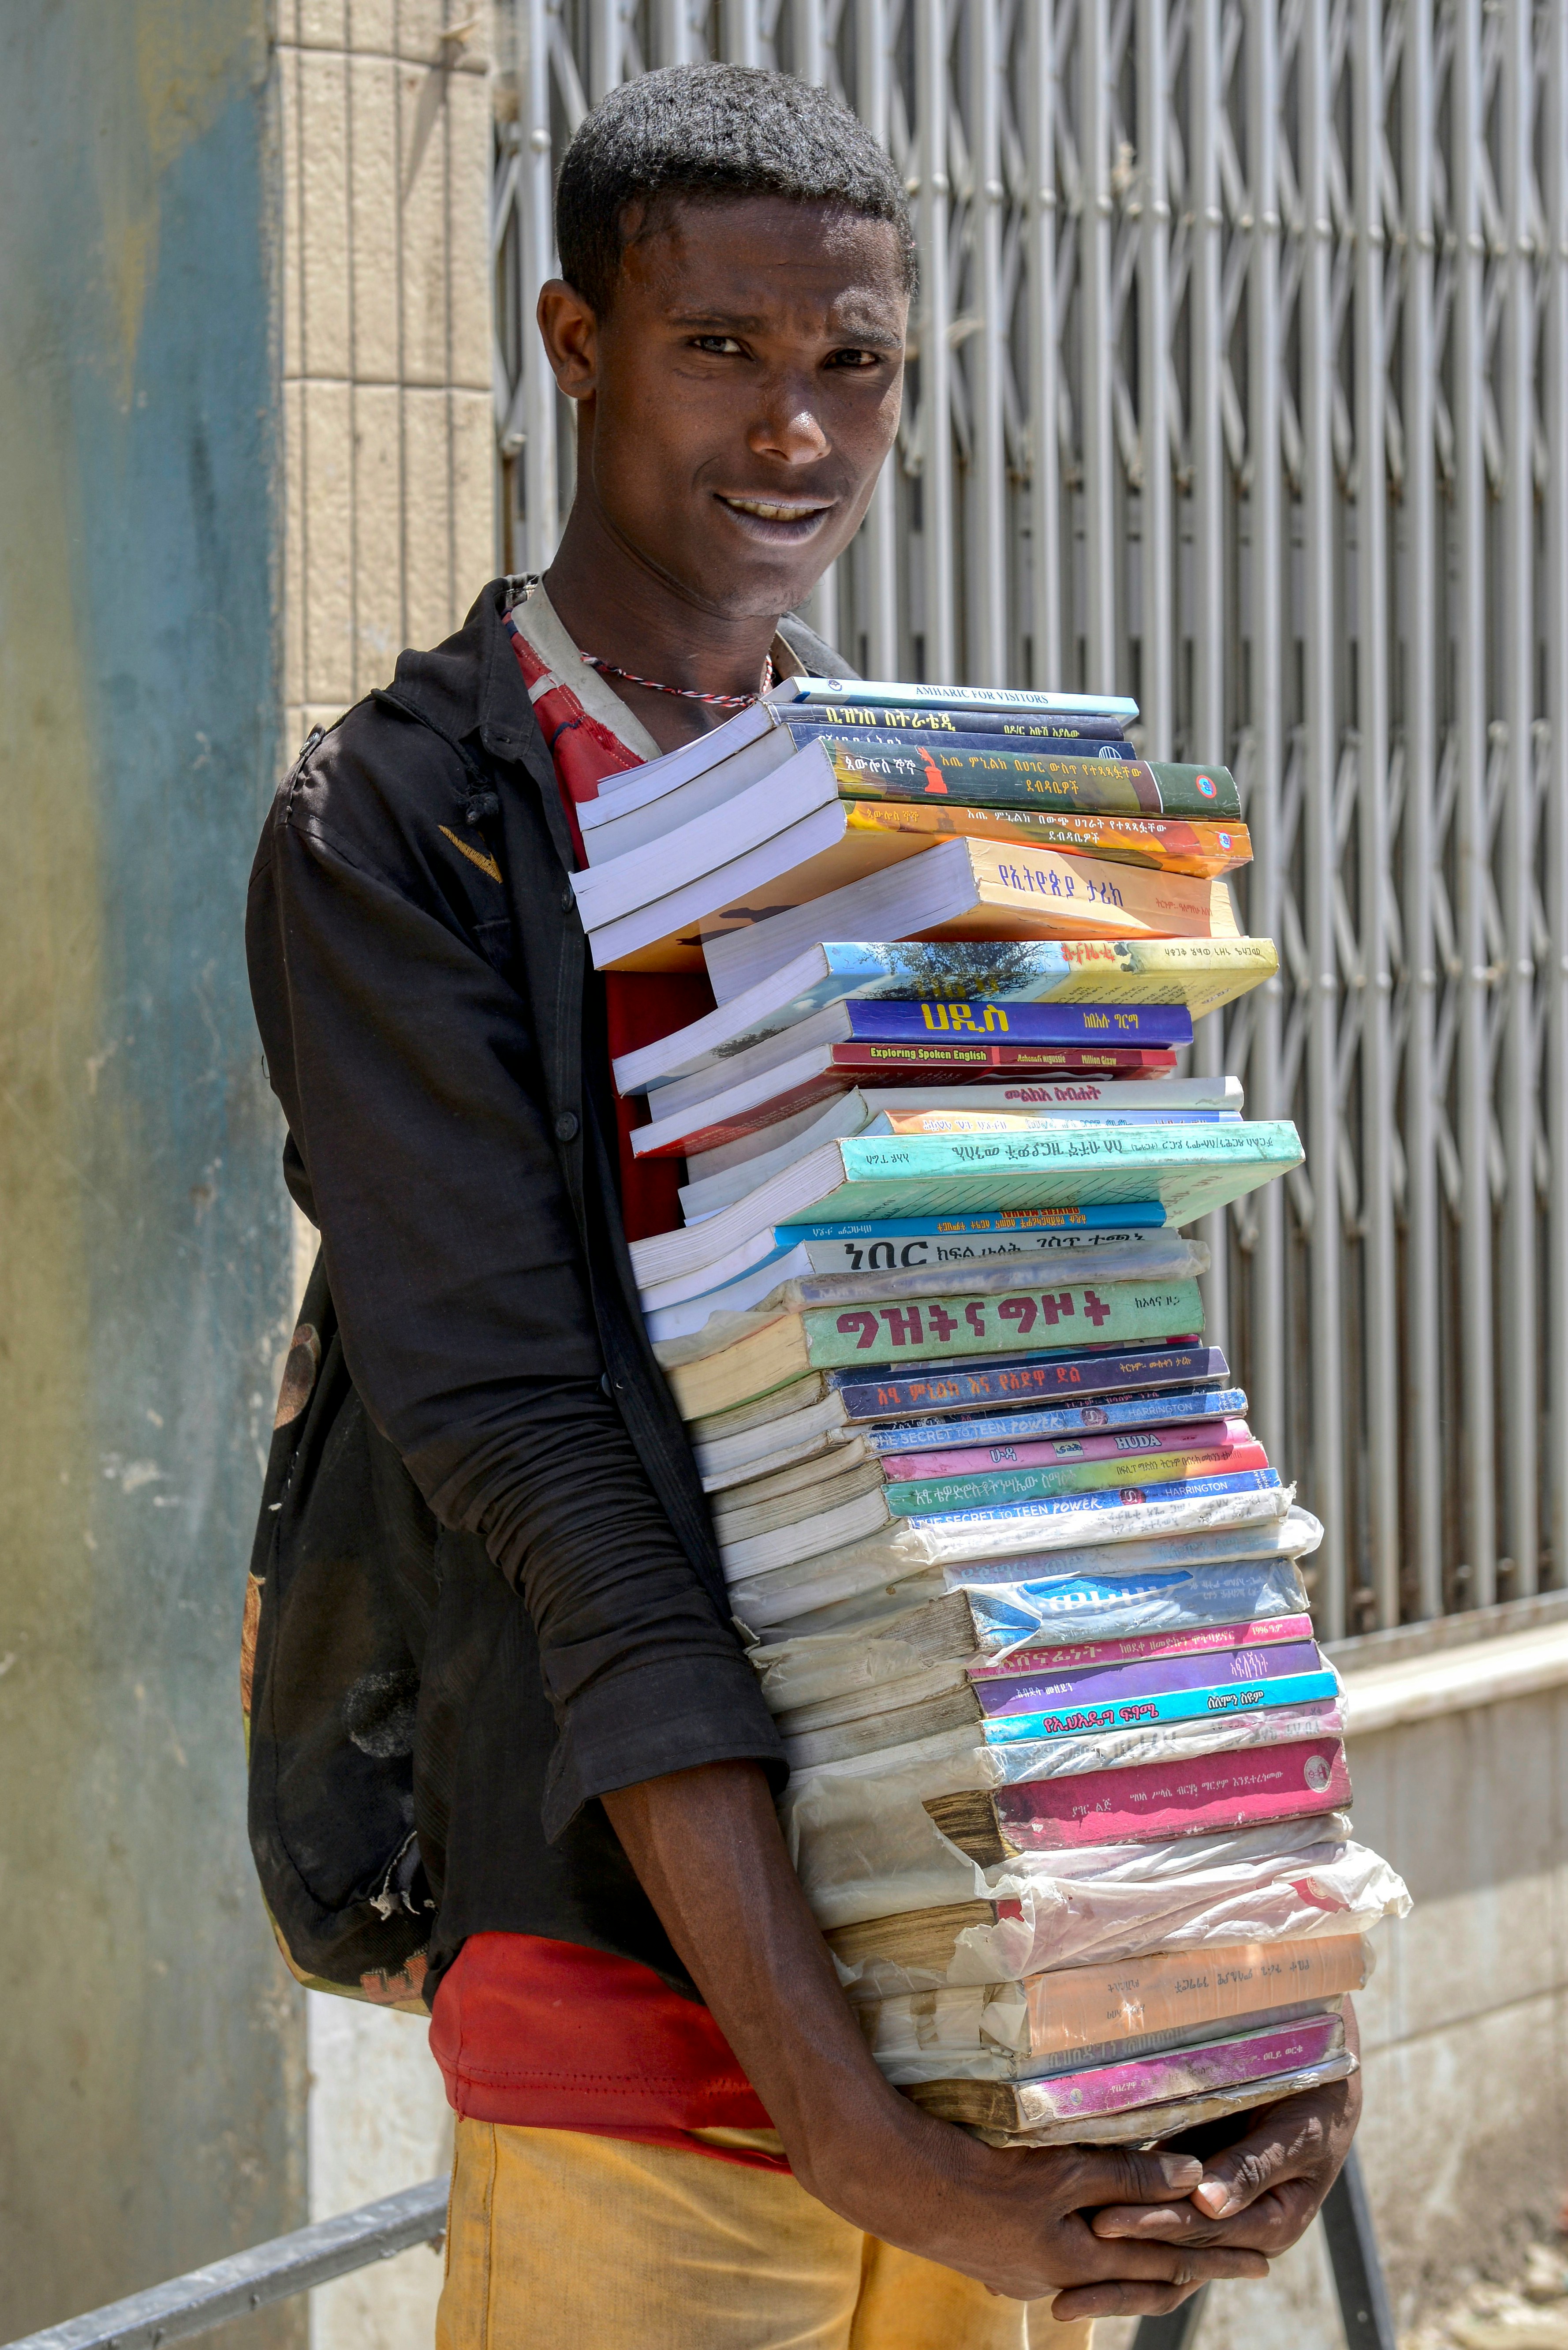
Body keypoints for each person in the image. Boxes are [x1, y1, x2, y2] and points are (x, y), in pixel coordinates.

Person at [247, 61, 1359, 2350]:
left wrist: (1232, 1987)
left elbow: (1067, 1398)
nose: (797, 434)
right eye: (722, 350)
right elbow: (538, 1453)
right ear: (572, 347)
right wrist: (853, 2128)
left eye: (853, 361)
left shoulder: (907, 820)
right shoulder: (404, 829)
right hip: (632, 1992)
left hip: (1002, 1964)